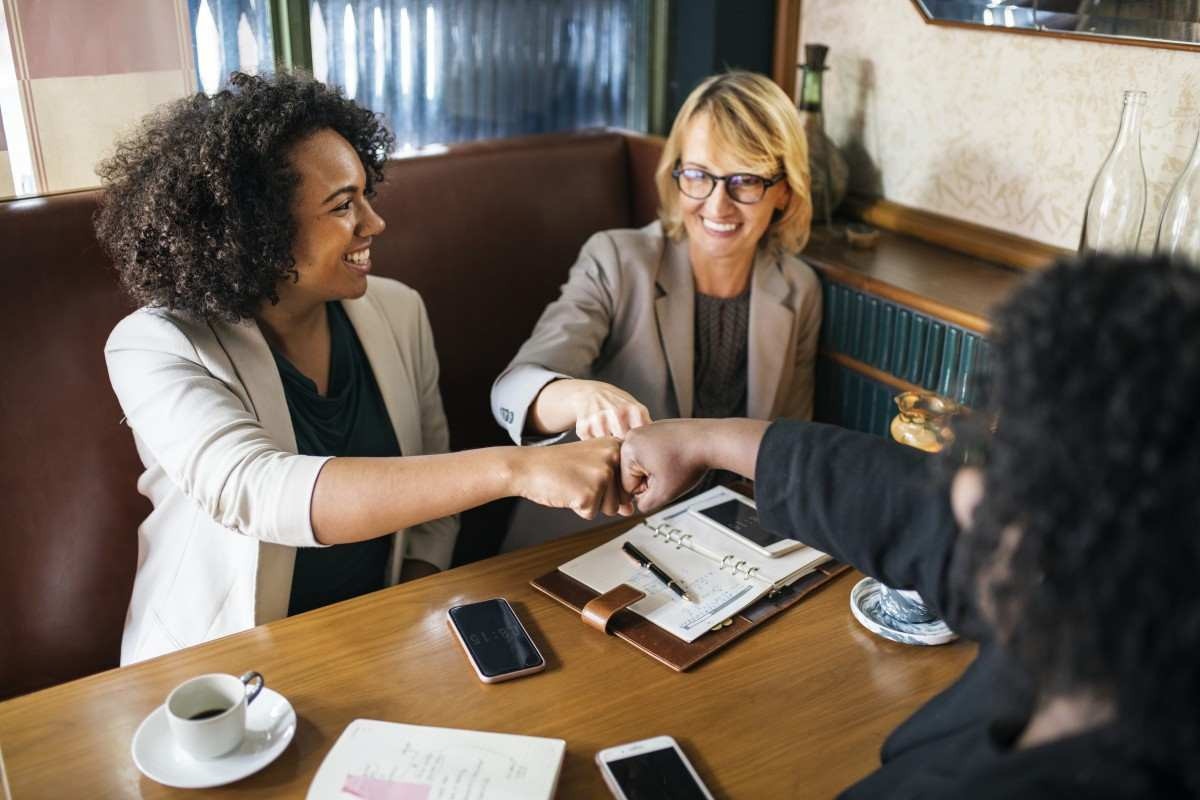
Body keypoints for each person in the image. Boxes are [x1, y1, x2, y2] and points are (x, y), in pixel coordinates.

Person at [619, 254, 1200, 797]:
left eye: (1004, 465)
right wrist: (705, 439)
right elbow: (906, 504)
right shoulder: (1109, 614)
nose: (967, 492)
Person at [97, 72, 626, 665]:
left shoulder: (398, 310)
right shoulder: (154, 344)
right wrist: (518, 468)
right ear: (257, 230)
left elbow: (434, 498)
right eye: (343, 205)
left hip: (379, 639)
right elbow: (256, 490)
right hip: (218, 669)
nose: (374, 223)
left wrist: (405, 613)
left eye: (366, 195)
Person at [491, 71, 819, 549]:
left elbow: (788, 448)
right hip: (588, 540)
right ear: (677, 173)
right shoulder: (616, 260)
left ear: (784, 190)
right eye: (699, 176)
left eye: (745, 180)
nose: (717, 204)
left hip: (723, 546)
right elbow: (515, 391)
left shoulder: (799, 289)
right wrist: (580, 396)